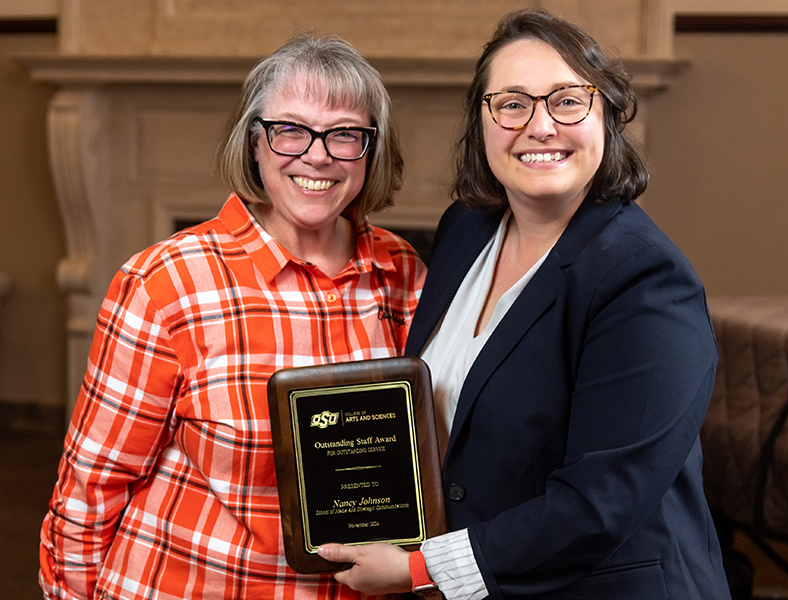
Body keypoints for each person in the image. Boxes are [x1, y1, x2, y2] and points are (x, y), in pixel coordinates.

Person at [318, 9, 732, 600]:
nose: (540, 127)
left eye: (567, 101)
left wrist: (420, 569)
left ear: (607, 116)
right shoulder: (466, 229)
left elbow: (599, 502)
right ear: (481, 123)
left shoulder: (644, 279)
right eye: (512, 104)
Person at [39, 32, 426, 600]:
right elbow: (90, 488)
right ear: (253, 142)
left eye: (345, 134)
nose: (317, 155)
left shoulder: (403, 271)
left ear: (371, 150)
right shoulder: (165, 282)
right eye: (290, 129)